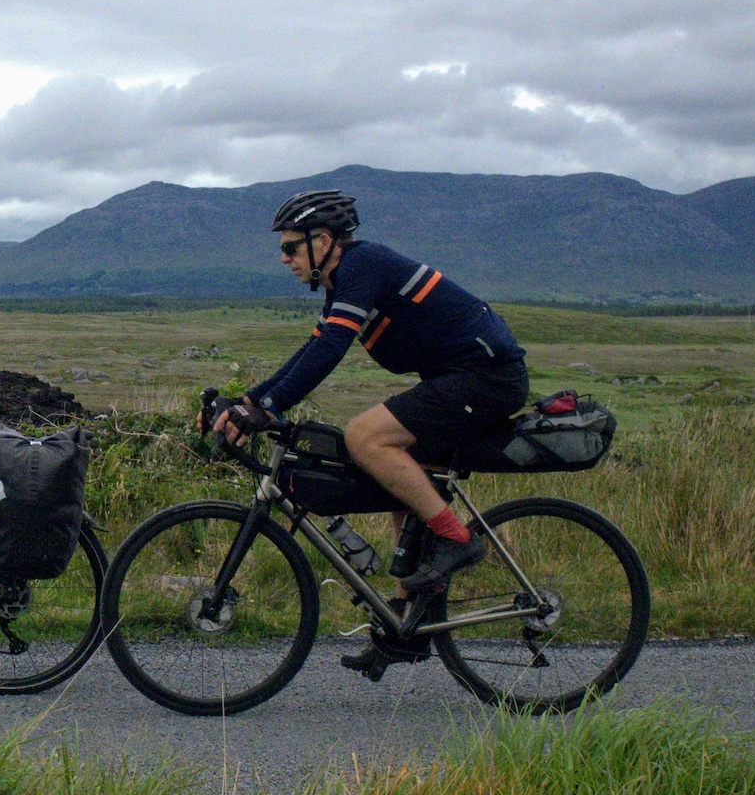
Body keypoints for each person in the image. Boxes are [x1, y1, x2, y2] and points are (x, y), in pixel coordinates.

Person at [212, 189, 529, 595]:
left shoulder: (364, 265)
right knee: (399, 482)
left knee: (364, 437)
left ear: (323, 241)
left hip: (489, 378)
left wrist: (270, 407)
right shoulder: (345, 282)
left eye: (291, 247)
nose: (284, 258)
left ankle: (457, 540)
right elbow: (310, 348)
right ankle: (405, 617)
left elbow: (330, 349)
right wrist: (250, 403)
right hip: (459, 378)